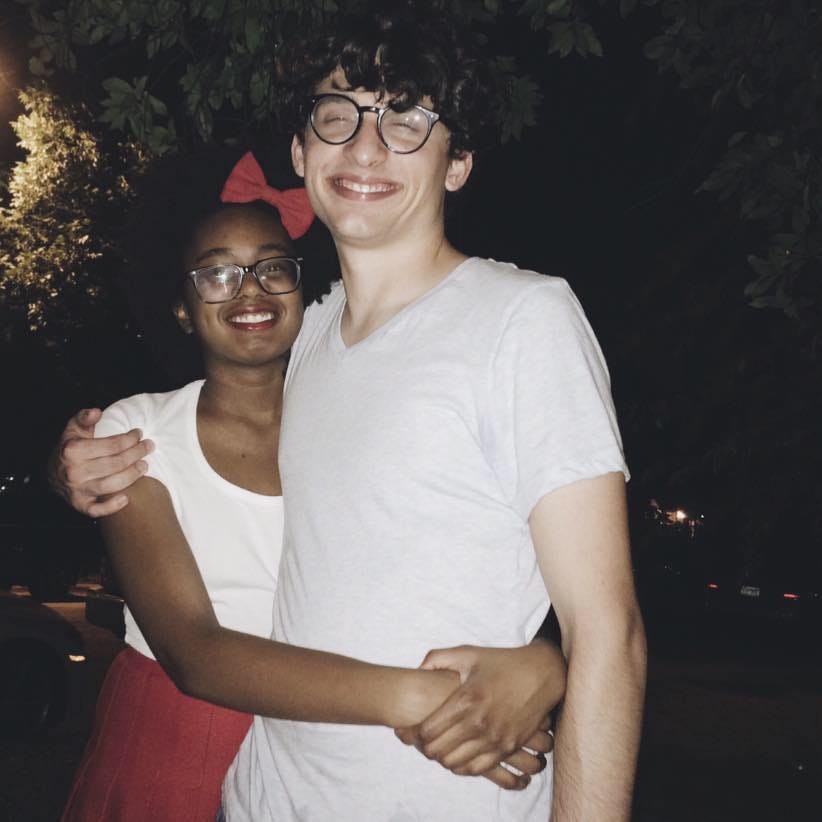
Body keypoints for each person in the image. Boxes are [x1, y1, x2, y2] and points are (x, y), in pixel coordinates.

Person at [54, 4, 647, 820]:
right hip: (264, 800)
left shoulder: (523, 319)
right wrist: (71, 463)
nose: (366, 147)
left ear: (458, 161)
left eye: (406, 117)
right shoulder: (309, 340)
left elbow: (608, 633)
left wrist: (551, 662)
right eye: (339, 114)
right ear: (302, 152)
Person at [58, 153, 566, 822]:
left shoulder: (351, 423)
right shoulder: (139, 431)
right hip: (178, 738)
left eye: (273, 268)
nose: (249, 291)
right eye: (217, 273)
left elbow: (456, 551)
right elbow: (195, 654)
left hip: (323, 747)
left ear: (305, 289)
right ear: (182, 307)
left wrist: (543, 659)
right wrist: (444, 704)